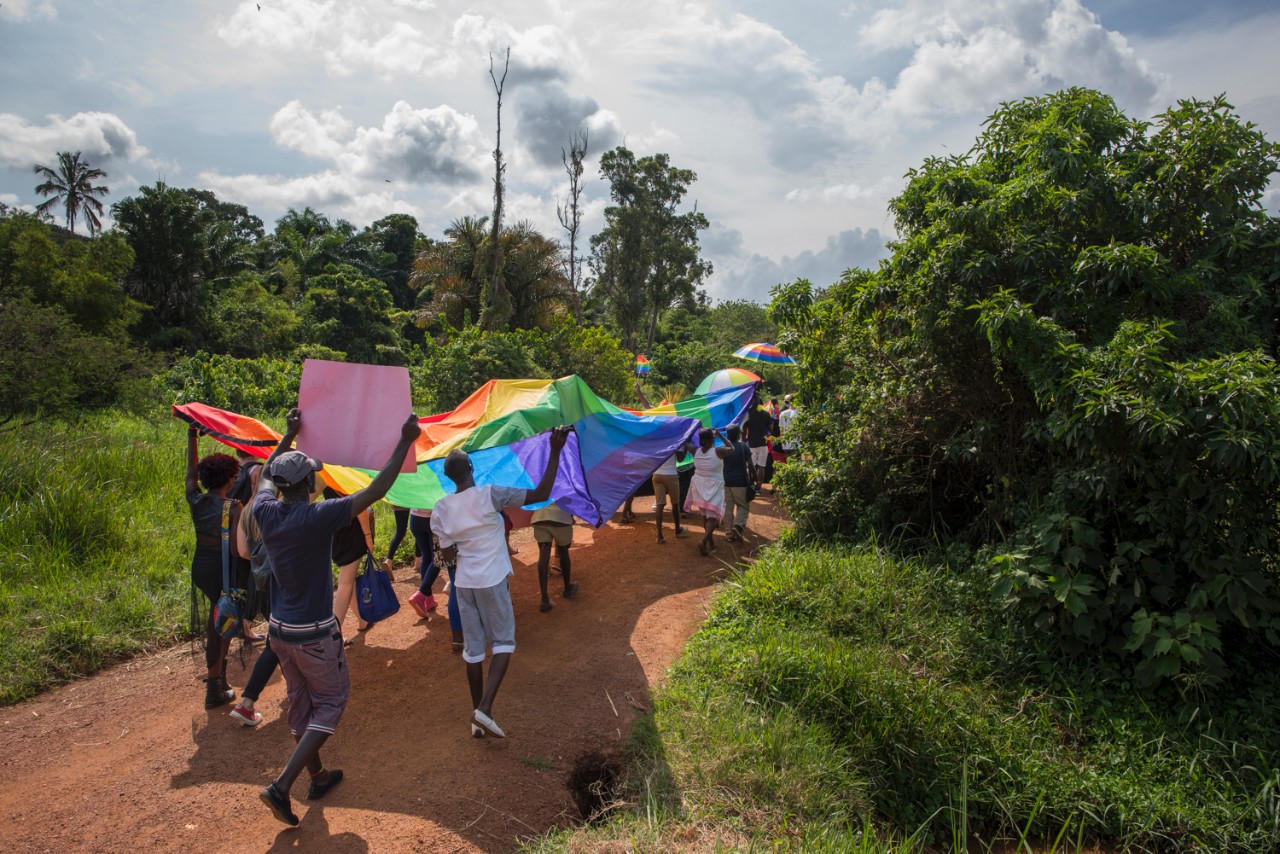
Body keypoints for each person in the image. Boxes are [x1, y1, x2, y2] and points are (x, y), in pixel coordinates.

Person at [253, 407, 420, 827]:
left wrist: (289, 434)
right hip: (313, 633)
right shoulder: (319, 515)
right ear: (310, 484)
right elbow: (378, 490)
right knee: (330, 704)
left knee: (300, 704)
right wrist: (405, 440)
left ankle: (318, 775)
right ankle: (280, 786)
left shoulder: (265, 512)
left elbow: (267, 476)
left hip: (279, 632)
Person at [433, 425, 571, 739]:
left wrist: (465, 542)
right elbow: (541, 493)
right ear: (471, 468)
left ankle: (476, 719)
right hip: (491, 579)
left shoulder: (441, 509)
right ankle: (484, 710)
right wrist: (556, 449)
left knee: (474, 651)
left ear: (449, 476)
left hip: (464, 583)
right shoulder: (490, 494)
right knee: (504, 643)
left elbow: (447, 553)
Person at [184, 427, 244, 710]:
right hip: (224, 570)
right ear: (231, 479)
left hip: (201, 568)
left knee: (215, 621)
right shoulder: (233, 507)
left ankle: (218, 681)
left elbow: (189, 474)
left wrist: (192, 437)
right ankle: (215, 686)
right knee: (223, 625)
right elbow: (235, 550)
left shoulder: (196, 500)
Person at [228, 481, 282, 727]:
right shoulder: (279, 509)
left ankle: (249, 702)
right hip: (280, 581)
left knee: (278, 640)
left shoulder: (248, 510)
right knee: (279, 641)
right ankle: (247, 702)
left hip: (257, 580)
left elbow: (241, 551)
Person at [325, 486, 376, 639]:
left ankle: (362, 620)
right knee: (346, 582)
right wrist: (368, 536)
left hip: (336, 530)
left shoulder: (328, 475)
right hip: (352, 531)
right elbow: (361, 508)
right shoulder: (345, 475)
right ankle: (333, 633)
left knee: (348, 580)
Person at [681, 427, 734, 556]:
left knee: (705, 516)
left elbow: (685, 442)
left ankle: (711, 544)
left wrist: (690, 429)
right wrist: (720, 435)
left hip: (698, 487)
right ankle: (704, 541)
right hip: (713, 487)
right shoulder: (718, 451)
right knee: (713, 518)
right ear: (712, 439)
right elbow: (732, 448)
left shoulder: (695, 450)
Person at [532, 501, 578, 612]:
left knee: (543, 557)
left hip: (540, 518)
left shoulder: (540, 482)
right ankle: (567, 589)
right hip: (561, 519)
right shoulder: (569, 483)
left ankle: (544, 600)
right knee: (563, 551)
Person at [722, 424, 757, 543]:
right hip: (741, 482)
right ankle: (738, 525)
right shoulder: (744, 447)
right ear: (738, 435)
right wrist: (756, 479)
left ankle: (729, 533)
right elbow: (751, 465)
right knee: (744, 505)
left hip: (726, 482)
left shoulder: (723, 448)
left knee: (728, 508)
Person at [744, 393, 775, 490]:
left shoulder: (748, 414)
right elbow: (771, 429)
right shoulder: (765, 414)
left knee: (751, 466)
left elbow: (744, 426)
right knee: (761, 466)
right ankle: (759, 486)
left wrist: (745, 436)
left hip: (752, 444)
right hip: (763, 443)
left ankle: (751, 485)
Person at [382, 504, 415, 573]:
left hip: (398, 502)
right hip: (406, 503)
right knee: (416, 531)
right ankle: (418, 562)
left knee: (400, 532)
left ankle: (389, 560)